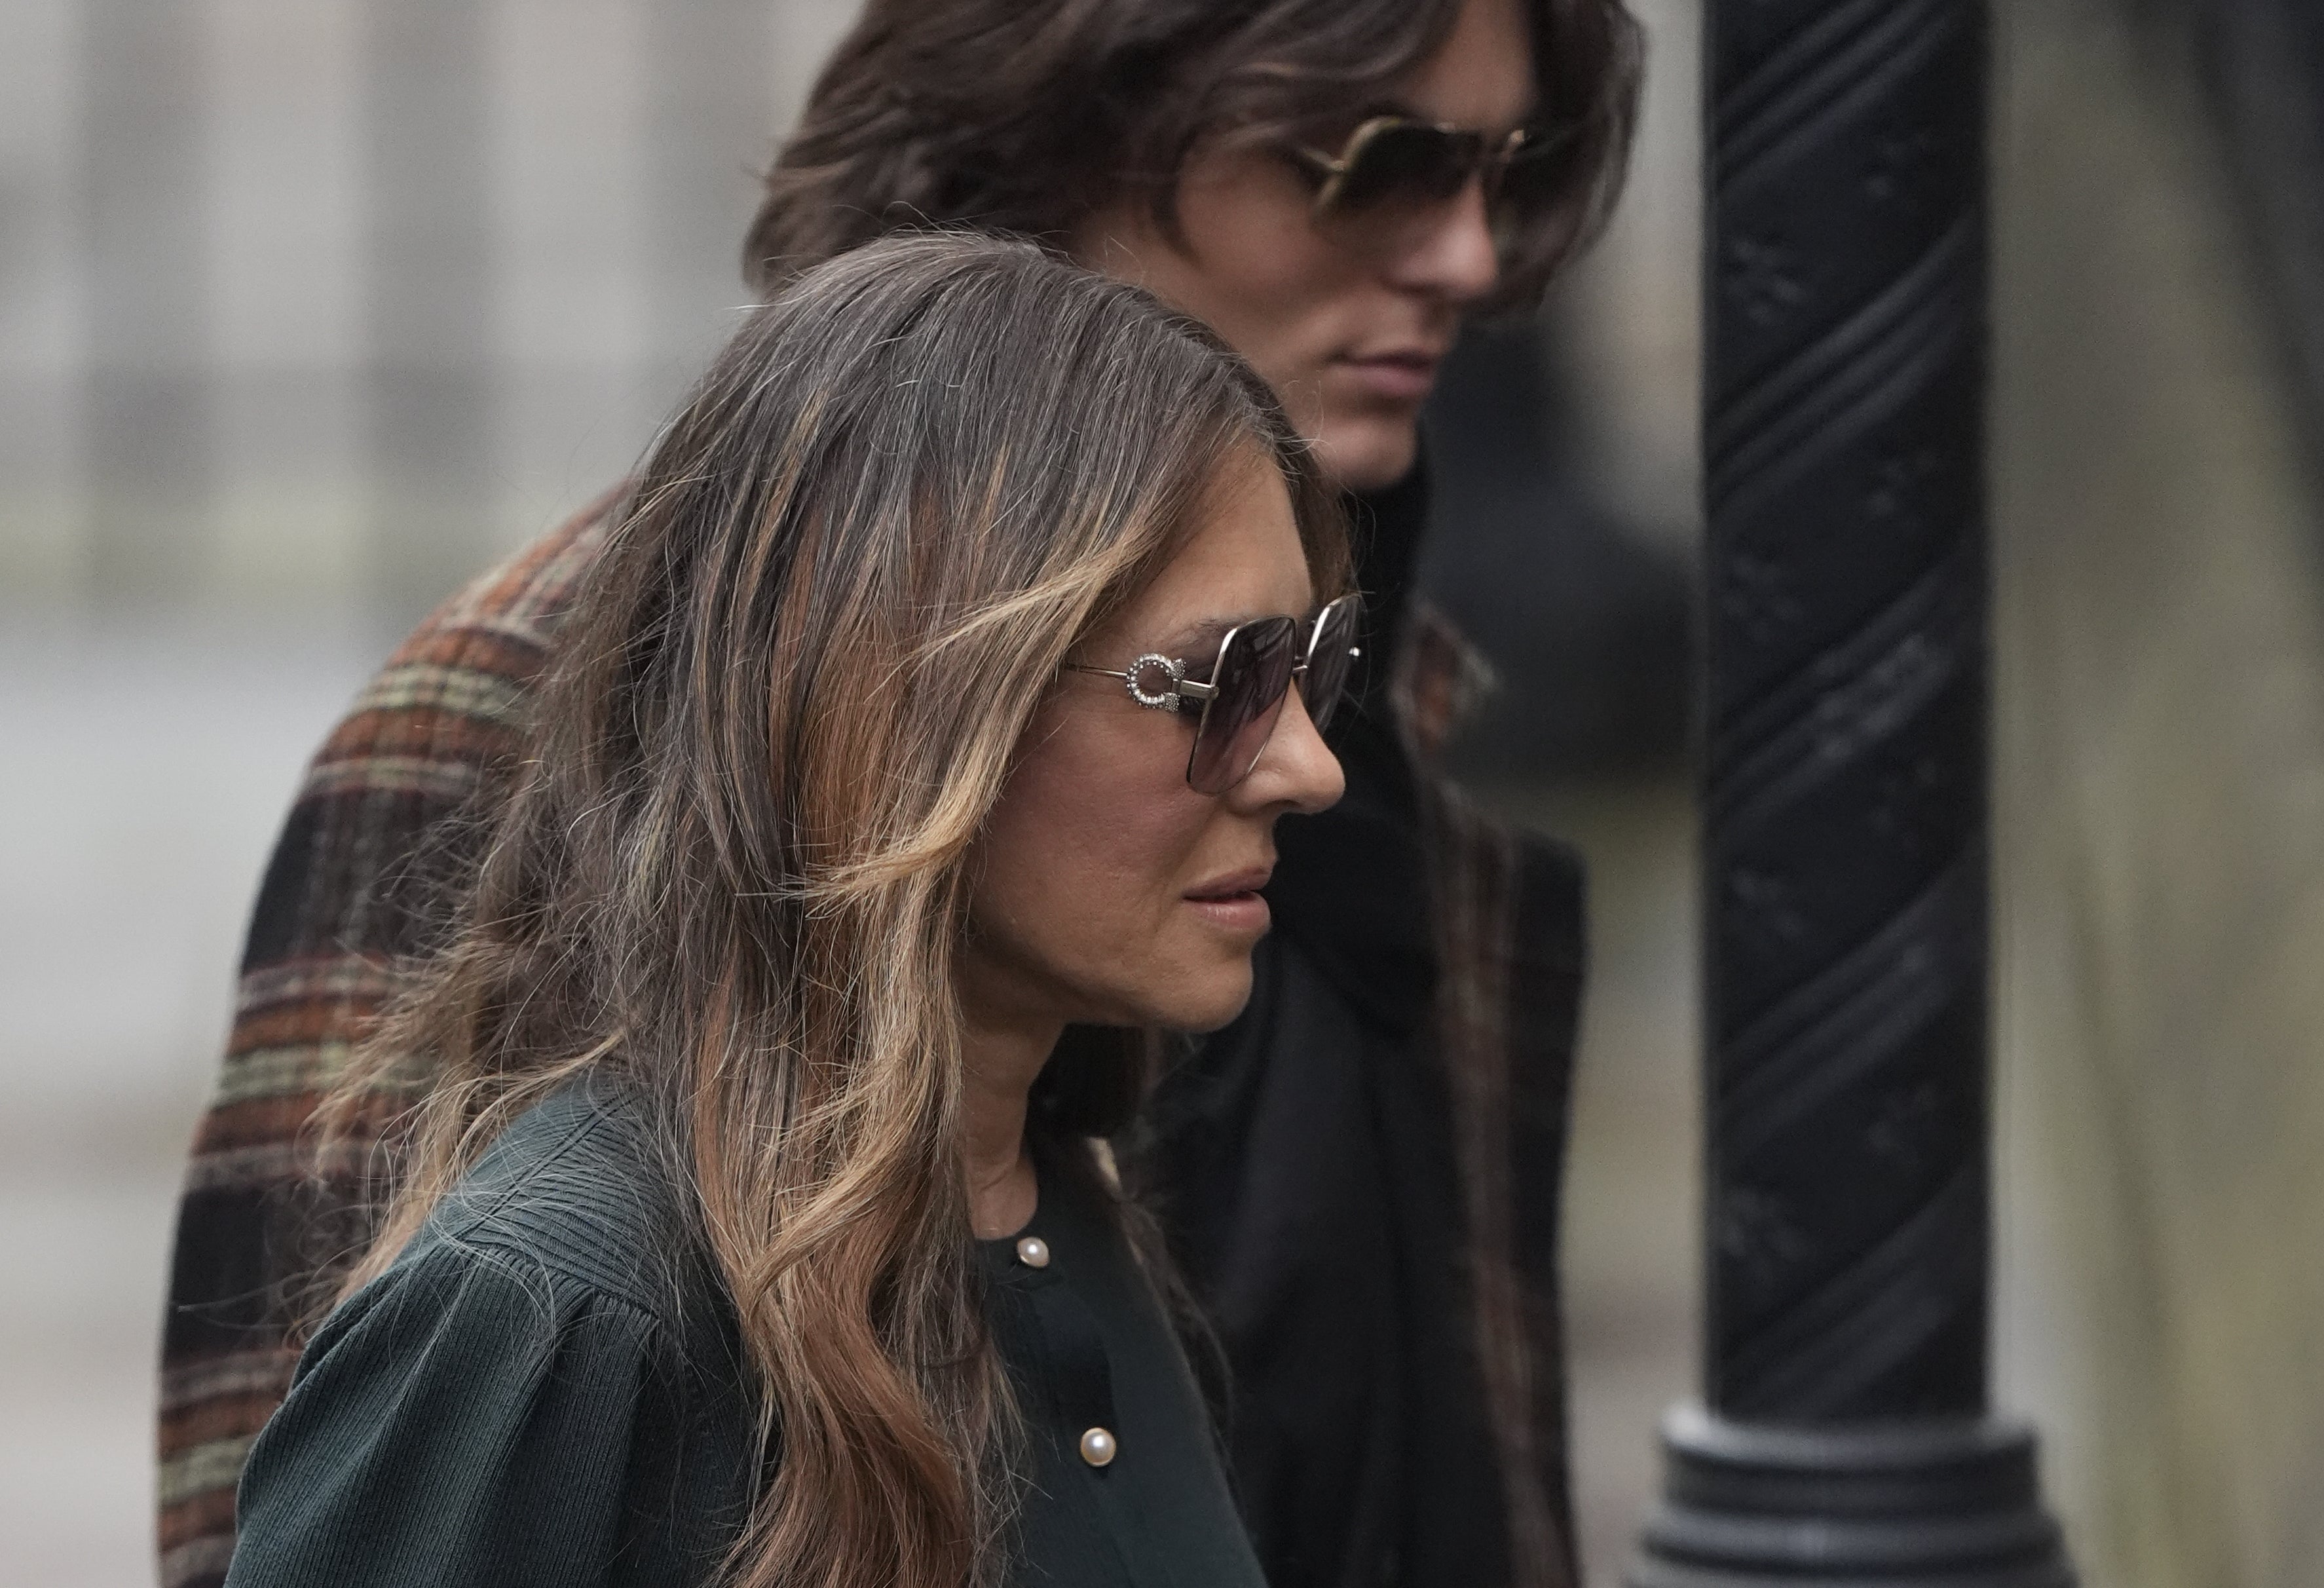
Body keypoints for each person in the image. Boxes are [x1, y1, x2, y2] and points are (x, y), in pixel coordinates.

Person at [160, 2, 1643, 1585]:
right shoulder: (574, 706)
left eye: (1507, 170)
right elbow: (329, 1451)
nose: (1468, 259)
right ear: (1067, 126)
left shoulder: (1369, 773)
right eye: (1373, 164)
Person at [222, 231, 1354, 1588]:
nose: (1307, 765)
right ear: (901, 705)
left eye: (1310, 664)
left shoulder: (1048, 1193)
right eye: (1221, 677)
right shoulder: (560, 1315)